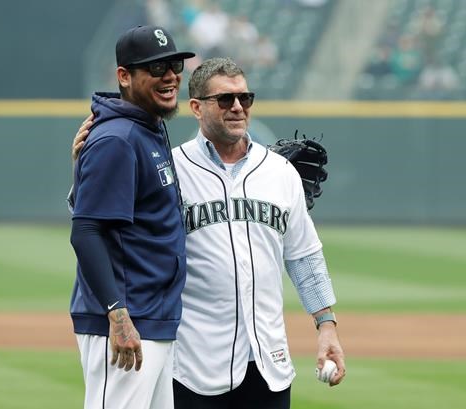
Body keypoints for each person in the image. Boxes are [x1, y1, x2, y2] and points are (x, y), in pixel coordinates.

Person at [73, 57, 346, 409]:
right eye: (225, 100)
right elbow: (104, 224)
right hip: (192, 366)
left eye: (244, 98)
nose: (237, 107)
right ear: (196, 107)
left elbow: (303, 254)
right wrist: (82, 173)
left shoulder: (280, 173)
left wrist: (326, 325)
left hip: (268, 362)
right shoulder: (168, 167)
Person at [69, 25, 194, 409]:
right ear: (124, 76)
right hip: (127, 321)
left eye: (174, 64)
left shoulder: (147, 129)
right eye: (156, 68)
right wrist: (117, 315)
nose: (170, 75)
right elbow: (87, 231)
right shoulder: (118, 138)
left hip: (152, 317)